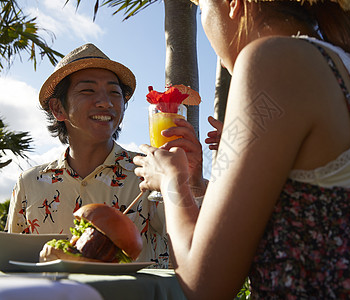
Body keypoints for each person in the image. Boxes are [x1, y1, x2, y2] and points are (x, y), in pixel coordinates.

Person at [133, 0, 350, 298]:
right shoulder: (343, 65)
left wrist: (170, 179)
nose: (218, 59)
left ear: (234, 4)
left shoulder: (274, 58)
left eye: (204, 8)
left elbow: (204, 284)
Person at [6, 43, 204, 267]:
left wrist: (192, 181)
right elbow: (14, 264)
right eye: (88, 91)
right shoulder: (29, 183)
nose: (106, 102)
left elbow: (198, 247)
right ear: (57, 109)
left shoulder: (151, 173)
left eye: (114, 93)